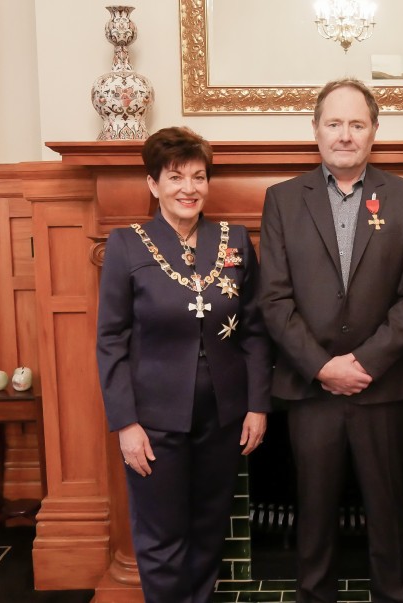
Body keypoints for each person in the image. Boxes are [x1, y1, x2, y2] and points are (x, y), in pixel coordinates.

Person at [259, 78, 403, 603]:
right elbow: (274, 300)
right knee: (313, 515)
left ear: (374, 131)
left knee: (388, 512)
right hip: (311, 390)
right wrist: (322, 367)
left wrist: (363, 363)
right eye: (334, 123)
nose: (345, 135)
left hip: (380, 387)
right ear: (316, 131)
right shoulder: (283, 200)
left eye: (357, 124)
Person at [96, 126, 271, 603]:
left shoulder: (233, 239)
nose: (189, 188)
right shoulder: (126, 244)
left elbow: (254, 327)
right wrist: (125, 423)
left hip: (224, 415)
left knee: (209, 528)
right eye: (175, 177)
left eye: (198, 177)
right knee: (161, 536)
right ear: (153, 184)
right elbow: (110, 340)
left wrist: (258, 404)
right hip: (153, 422)